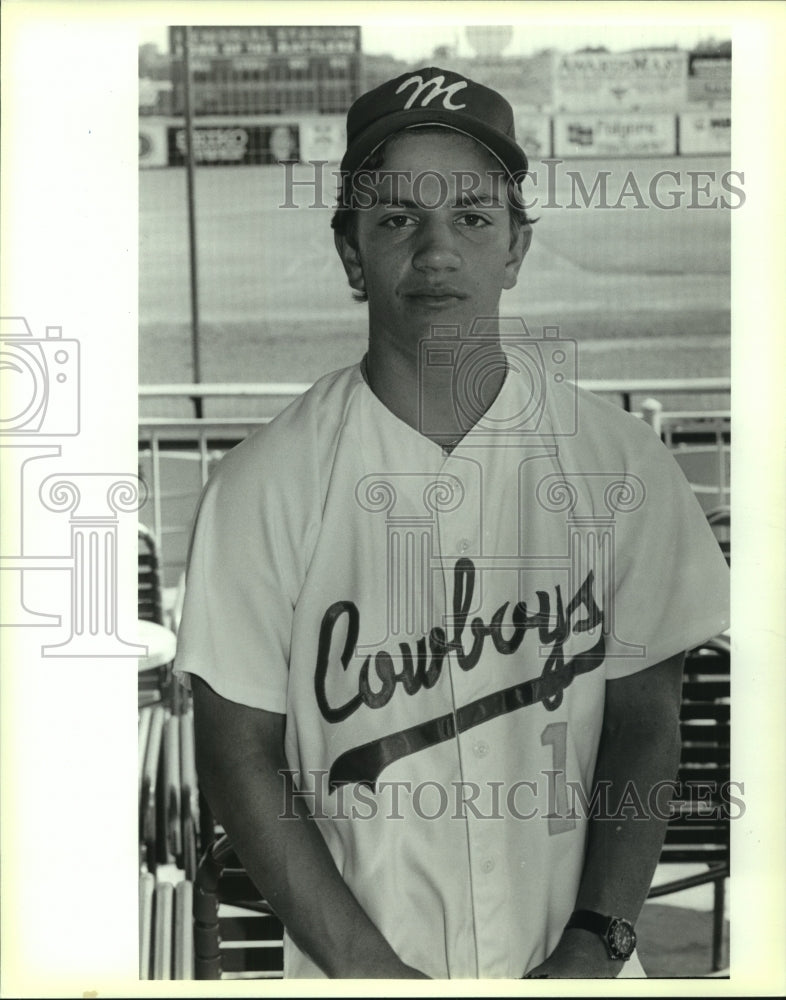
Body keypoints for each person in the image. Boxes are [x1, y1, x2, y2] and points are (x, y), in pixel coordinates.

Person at [175, 67, 730, 979]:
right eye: (398, 218)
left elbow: (645, 719)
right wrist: (371, 972)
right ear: (351, 252)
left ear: (515, 248)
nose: (436, 251)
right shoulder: (261, 485)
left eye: (471, 217)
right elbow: (238, 754)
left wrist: (598, 941)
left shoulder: (621, 463)